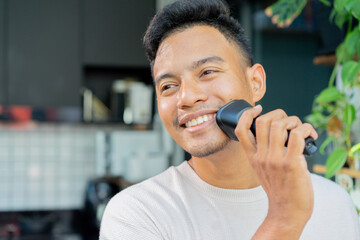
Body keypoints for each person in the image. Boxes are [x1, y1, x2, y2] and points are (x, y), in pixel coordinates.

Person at [100, 0, 360, 239]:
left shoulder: (332, 202)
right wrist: (283, 220)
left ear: (255, 82)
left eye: (208, 72)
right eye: (168, 86)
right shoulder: (136, 215)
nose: (186, 98)